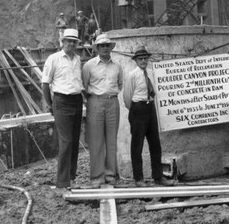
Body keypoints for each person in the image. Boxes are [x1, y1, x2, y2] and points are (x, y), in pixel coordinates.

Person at [123, 46, 173, 187]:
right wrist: (135, 111)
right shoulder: (132, 75)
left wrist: (148, 106)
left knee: (155, 143)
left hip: (150, 107)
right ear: (136, 61)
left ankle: (158, 176)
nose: (143, 61)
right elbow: (127, 97)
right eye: (140, 59)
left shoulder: (151, 72)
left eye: (145, 58)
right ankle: (138, 178)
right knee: (137, 145)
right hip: (138, 108)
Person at [42, 28, 84, 193]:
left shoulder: (78, 59)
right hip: (61, 101)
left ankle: (70, 179)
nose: (71, 44)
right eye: (68, 41)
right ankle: (61, 182)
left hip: (76, 100)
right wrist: (50, 104)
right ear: (62, 42)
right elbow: (45, 84)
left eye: (74, 42)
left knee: (74, 141)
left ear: (76, 44)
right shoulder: (54, 59)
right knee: (65, 142)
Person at [82, 34, 123, 187]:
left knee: (111, 140)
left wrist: (109, 96)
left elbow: (120, 85)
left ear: (110, 48)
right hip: (95, 102)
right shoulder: (89, 66)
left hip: (113, 102)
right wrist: (93, 101)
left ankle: (110, 175)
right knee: (96, 140)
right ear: (97, 48)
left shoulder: (117, 66)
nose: (105, 48)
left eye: (107, 45)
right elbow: (84, 86)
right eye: (102, 46)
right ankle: (97, 176)